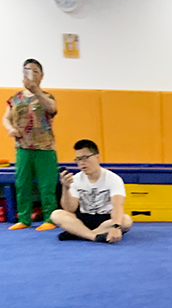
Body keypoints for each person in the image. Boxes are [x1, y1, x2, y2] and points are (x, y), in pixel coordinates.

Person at [2, 59, 59, 231]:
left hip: (45, 148)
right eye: (27, 71)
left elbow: (51, 109)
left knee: (46, 184)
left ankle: (49, 217)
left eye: (34, 71)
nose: (30, 74)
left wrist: (36, 91)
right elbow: (6, 117)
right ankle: (24, 218)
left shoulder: (48, 97)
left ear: (41, 75)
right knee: (22, 183)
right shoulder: (15, 98)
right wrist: (11, 128)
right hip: (23, 148)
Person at [50, 139, 133, 243]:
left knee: (126, 221)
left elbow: (118, 206)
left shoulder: (113, 179)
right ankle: (93, 236)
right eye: (78, 159)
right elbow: (70, 209)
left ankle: (79, 233)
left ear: (97, 157)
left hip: (106, 219)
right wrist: (66, 188)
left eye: (85, 158)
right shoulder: (76, 179)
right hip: (83, 218)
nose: (82, 163)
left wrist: (116, 226)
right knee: (56, 214)